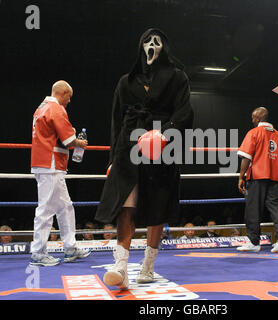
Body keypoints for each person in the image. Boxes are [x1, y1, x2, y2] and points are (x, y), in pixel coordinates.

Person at [95, 28, 193, 289]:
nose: (152, 45)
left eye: (157, 41)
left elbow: (184, 112)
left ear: (165, 47)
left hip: (162, 146)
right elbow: (116, 120)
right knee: (126, 204)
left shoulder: (177, 77)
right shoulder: (126, 82)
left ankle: (148, 264)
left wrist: (165, 133)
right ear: (140, 47)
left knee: (158, 202)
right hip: (128, 145)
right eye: (147, 41)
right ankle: (121, 266)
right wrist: (112, 159)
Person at [30, 80, 91, 267]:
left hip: (47, 163)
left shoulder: (41, 107)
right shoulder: (56, 108)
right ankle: (38, 253)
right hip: (50, 163)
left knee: (65, 207)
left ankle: (70, 248)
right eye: (69, 97)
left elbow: (56, 134)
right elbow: (69, 140)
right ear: (63, 93)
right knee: (46, 209)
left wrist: (70, 134)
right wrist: (80, 143)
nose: (69, 101)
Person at [236, 107, 278, 253]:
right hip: (274, 178)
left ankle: (254, 242)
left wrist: (241, 176)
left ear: (258, 118)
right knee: (276, 208)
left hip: (257, 177)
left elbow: (246, 157)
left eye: (253, 117)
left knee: (253, 209)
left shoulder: (253, 133)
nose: (252, 120)